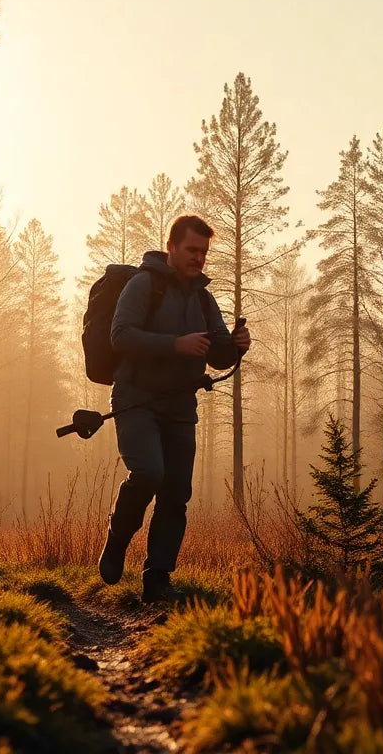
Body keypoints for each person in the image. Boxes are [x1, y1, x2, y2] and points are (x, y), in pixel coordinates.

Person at [98, 215, 251, 602]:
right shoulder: (143, 284)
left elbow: (217, 355)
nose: (198, 258)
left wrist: (236, 345)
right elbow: (121, 335)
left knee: (176, 493)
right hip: (136, 399)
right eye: (191, 250)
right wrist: (175, 344)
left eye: (203, 252)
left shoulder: (203, 297)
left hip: (181, 404)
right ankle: (117, 539)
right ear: (172, 248)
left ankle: (157, 580)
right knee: (149, 472)